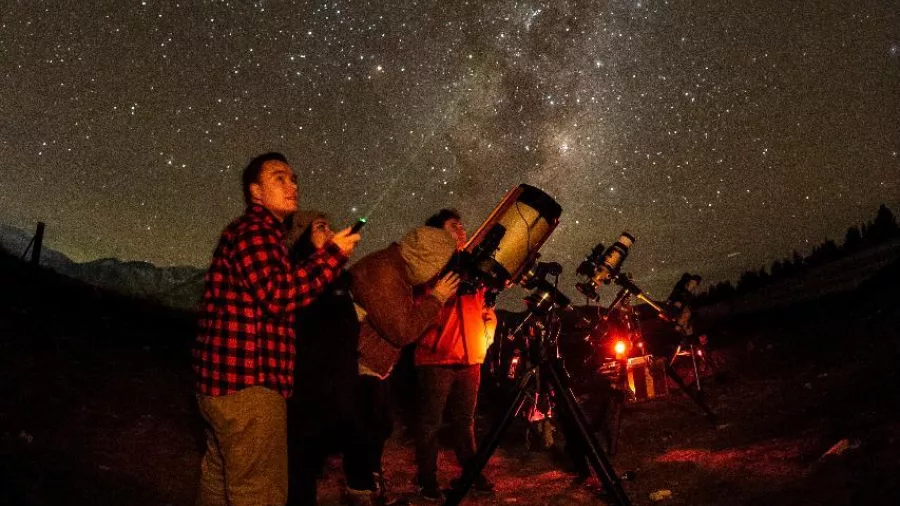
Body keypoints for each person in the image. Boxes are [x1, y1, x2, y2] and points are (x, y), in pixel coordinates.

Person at [192, 152, 360, 506]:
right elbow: (278, 295)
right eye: (279, 177)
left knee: (220, 482)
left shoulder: (259, 235)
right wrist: (333, 255)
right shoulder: (254, 231)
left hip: (224, 385)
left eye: (293, 178)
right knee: (259, 492)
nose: (292, 184)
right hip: (248, 384)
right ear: (256, 192)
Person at [345, 226, 460, 506]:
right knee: (364, 437)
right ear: (427, 259)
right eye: (438, 267)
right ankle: (362, 496)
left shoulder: (395, 267)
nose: (437, 274)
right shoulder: (385, 273)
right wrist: (437, 298)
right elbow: (403, 330)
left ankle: (371, 491)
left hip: (371, 366)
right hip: (360, 366)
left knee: (378, 429)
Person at [413, 209, 497, 501]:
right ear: (438, 234)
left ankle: (471, 473)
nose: (461, 229)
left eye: (461, 224)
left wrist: (488, 330)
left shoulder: (475, 267)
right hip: (437, 355)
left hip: (471, 355)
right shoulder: (427, 265)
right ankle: (426, 479)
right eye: (453, 225)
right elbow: (419, 304)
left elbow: (486, 308)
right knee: (430, 423)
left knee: (465, 421)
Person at [284, 211, 360, 506]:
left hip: (332, 385)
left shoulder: (336, 278)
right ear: (301, 236)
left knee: (312, 461)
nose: (330, 232)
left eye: (329, 225)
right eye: (320, 227)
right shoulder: (300, 276)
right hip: (307, 388)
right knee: (299, 465)